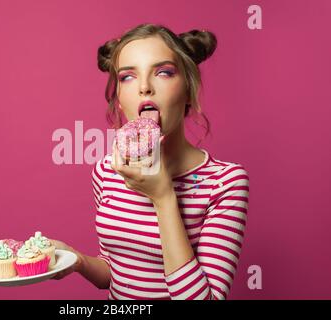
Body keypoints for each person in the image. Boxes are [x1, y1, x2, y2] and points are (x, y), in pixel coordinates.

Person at [50, 23, 249, 300]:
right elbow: (115, 272)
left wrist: (164, 196)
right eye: (128, 77)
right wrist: (78, 261)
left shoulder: (224, 182)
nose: (144, 87)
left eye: (163, 72)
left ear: (189, 91)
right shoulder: (107, 170)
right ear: (119, 99)